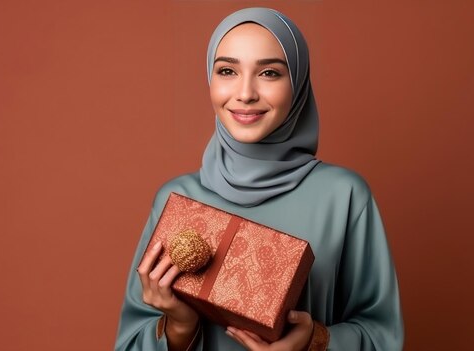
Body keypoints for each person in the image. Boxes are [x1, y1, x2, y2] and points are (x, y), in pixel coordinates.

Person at [115, 7, 403, 351]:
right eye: (227, 71)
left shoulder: (343, 196)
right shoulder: (177, 199)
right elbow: (129, 343)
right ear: (210, 78)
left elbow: (382, 336)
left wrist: (314, 341)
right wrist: (180, 325)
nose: (246, 93)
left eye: (268, 72)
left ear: (297, 82)